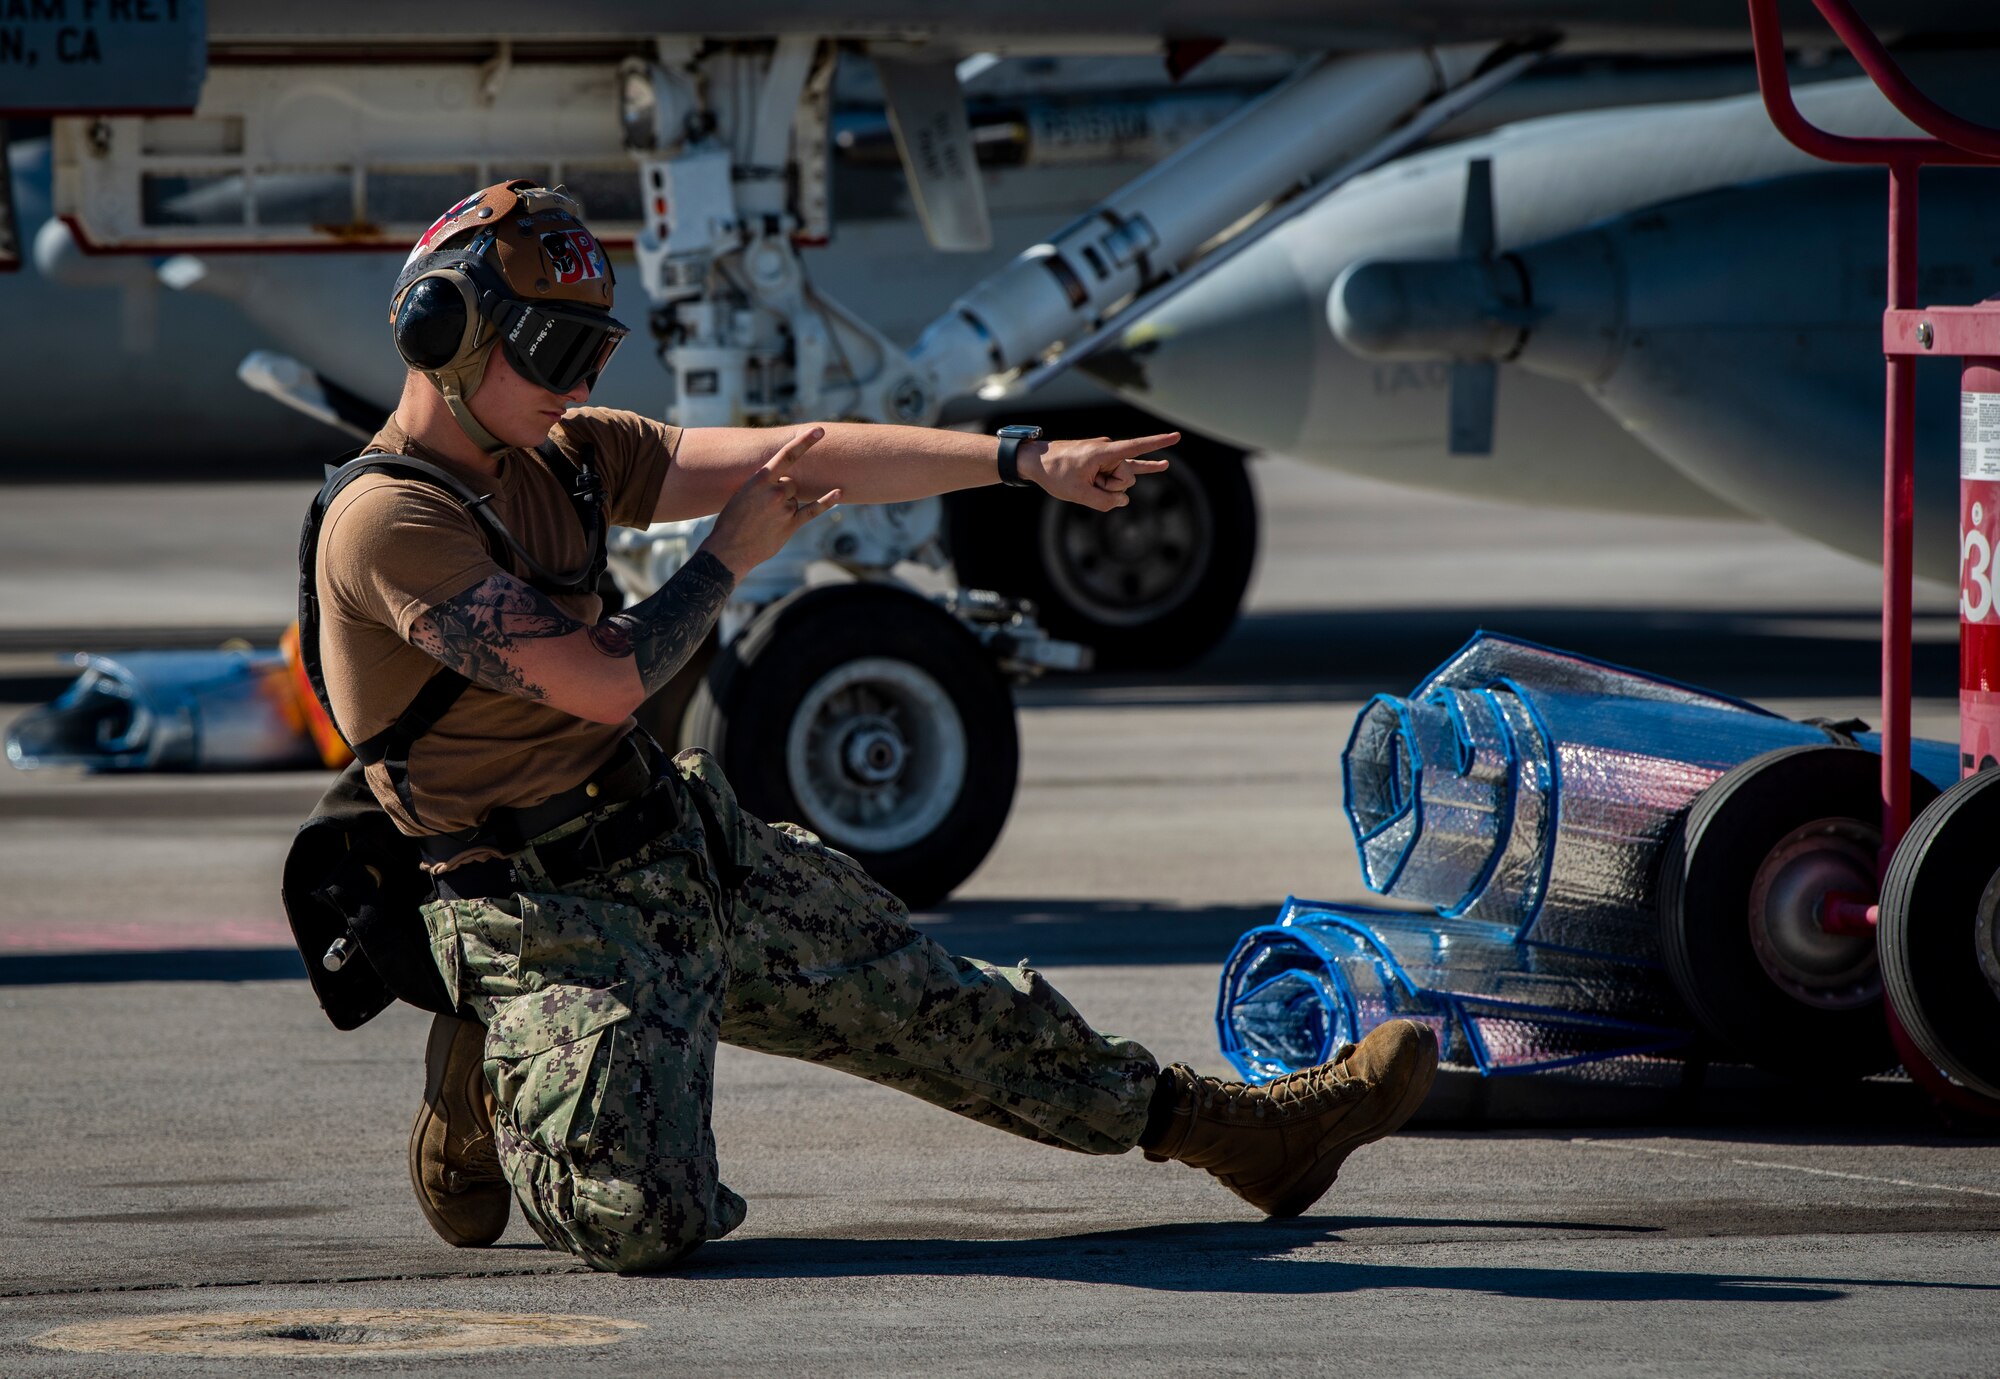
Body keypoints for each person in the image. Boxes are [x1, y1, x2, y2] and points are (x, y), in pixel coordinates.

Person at [316, 179, 1438, 1274]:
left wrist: (1023, 462)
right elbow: (606, 679)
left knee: (951, 1010)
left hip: (670, 841)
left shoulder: (563, 458)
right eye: (552, 353)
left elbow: (806, 455)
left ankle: (1243, 1134)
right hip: (537, 912)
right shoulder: (389, 520)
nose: (575, 385)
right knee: (646, 1222)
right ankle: (492, 1061)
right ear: (446, 331)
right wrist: (725, 556)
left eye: (591, 355)